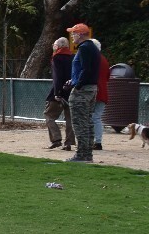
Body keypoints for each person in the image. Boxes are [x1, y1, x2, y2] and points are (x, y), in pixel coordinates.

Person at [64, 23, 100, 163]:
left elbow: (86, 69)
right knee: (88, 122)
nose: (72, 36)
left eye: (73, 33)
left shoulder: (84, 48)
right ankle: (87, 154)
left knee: (80, 123)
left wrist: (78, 85)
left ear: (79, 34)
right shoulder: (93, 47)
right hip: (91, 88)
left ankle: (82, 154)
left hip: (83, 90)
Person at [44, 37, 75, 151]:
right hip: (71, 90)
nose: (53, 46)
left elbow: (58, 76)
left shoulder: (56, 57)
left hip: (59, 90)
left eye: (54, 44)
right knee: (70, 118)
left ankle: (56, 138)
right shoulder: (73, 57)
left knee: (49, 114)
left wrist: (57, 93)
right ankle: (69, 142)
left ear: (58, 46)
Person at [91, 38, 109, 151]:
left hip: (94, 91)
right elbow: (107, 76)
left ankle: (96, 141)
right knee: (96, 117)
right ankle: (97, 141)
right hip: (103, 91)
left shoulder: (93, 59)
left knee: (93, 117)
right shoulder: (104, 60)